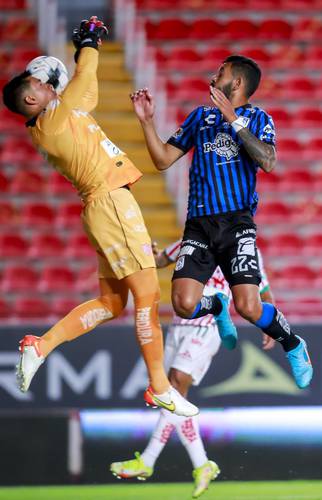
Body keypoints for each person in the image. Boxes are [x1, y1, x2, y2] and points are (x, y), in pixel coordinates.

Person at [1, 16, 198, 417]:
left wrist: (83, 52)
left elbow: (85, 87)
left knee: (112, 302)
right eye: (38, 85)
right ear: (31, 101)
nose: (45, 83)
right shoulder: (54, 120)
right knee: (147, 295)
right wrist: (88, 42)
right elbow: (84, 75)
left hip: (101, 207)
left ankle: (41, 345)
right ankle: (159, 385)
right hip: (111, 204)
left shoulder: (61, 119)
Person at [130, 55, 312, 389]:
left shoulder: (258, 118)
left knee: (249, 306)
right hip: (198, 224)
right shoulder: (200, 117)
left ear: (238, 83)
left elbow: (268, 161)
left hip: (237, 224)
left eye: (221, 72)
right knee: (184, 305)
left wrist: (234, 120)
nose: (214, 76)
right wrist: (146, 121)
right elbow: (162, 160)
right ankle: (215, 304)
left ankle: (293, 343)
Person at [110, 240, 275, 499]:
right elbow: (160, 260)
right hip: (178, 327)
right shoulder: (189, 241)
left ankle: (148, 460)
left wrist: (271, 324)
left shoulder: (246, 250)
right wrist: (150, 254)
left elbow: (262, 289)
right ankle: (202, 464)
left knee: (174, 386)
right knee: (171, 397)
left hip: (207, 328)